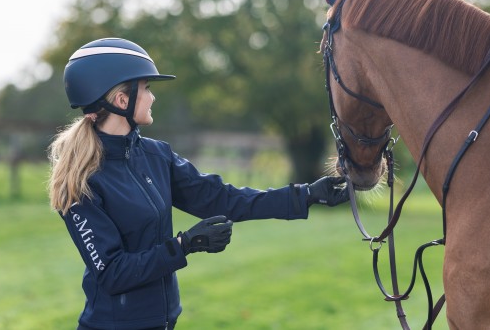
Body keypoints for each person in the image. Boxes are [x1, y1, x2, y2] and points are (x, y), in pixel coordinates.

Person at [47, 37, 348, 330]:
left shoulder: (156, 155)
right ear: (122, 100)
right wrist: (184, 245)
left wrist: (306, 195)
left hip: (164, 322)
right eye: (147, 89)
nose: (153, 97)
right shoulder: (82, 179)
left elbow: (222, 198)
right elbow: (113, 273)